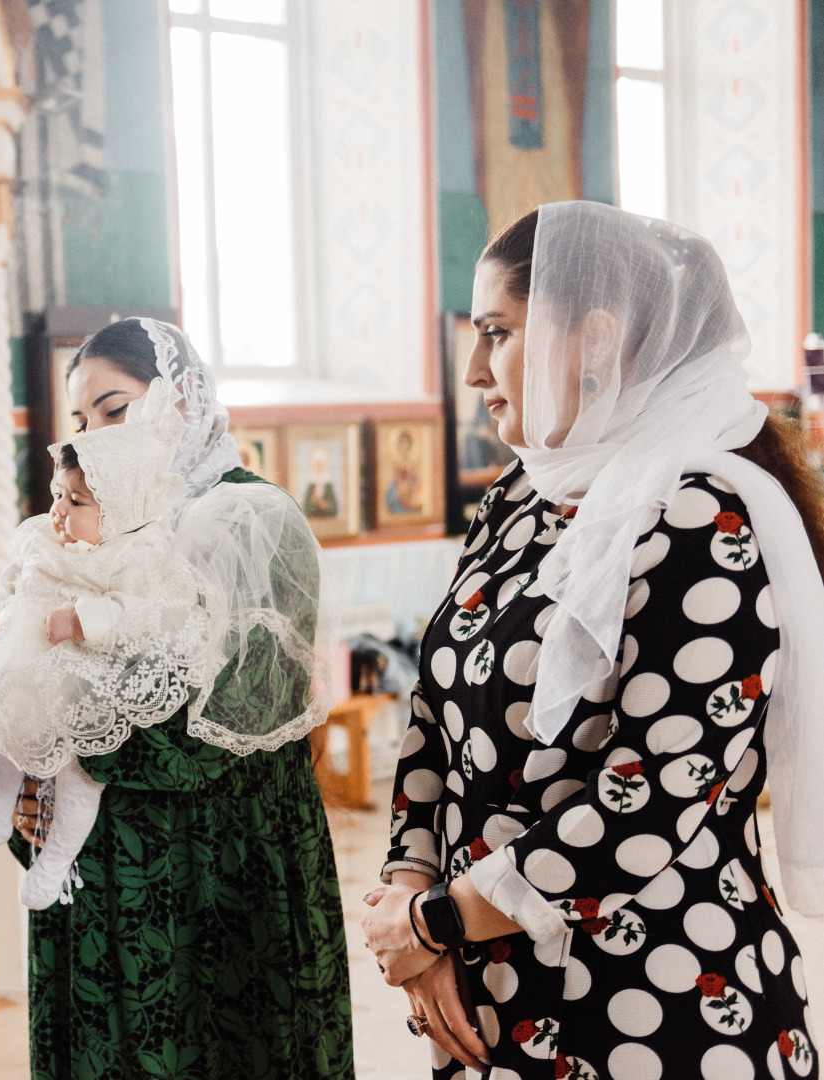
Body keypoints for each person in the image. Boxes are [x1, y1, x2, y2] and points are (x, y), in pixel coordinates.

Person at [363, 201, 824, 1079]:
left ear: (597, 339)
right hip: (488, 996)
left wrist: (435, 925)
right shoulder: (517, 501)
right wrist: (408, 887)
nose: (470, 370)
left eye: (495, 333)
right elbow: (433, 720)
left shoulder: (699, 518)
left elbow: (650, 800)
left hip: (654, 1001)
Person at [9, 317, 353, 1079]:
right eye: (81, 420)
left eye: (115, 408)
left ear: (184, 396)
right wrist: (28, 773)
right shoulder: (100, 526)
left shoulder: (249, 519)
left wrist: (67, 746)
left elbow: (219, 728)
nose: (95, 436)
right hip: (99, 873)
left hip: (214, 874)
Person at [0, 378, 212, 910]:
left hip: (87, 689)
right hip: (26, 671)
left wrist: (82, 620)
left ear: (121, 508)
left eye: (76, 501)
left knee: (80, 774)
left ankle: (56, 861)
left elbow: (137, 613)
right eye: (58, 495)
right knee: (5, 740)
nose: (59, 511)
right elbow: (11, 582)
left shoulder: (135, 553)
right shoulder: (44, 536)